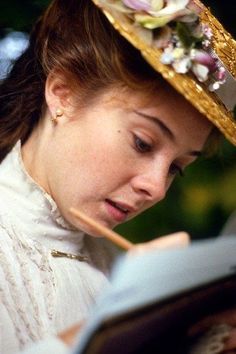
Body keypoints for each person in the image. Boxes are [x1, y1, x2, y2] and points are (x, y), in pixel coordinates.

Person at [0, 0, 235, 353]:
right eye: (142, 143)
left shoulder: (114, 265)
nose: (155, 189)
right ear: (62, 92)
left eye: (176, 168)